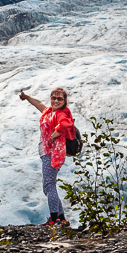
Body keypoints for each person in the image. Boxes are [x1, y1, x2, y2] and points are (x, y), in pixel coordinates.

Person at [19, 87, 75, 227]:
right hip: (48, 153)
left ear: (64, 101)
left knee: (49, 186)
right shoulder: (49, 112)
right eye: (53, 97)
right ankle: (61, 218)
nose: (56, 100)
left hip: (52, 154)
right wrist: (26, 97)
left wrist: (53, 136)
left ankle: (55, 219)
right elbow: (38, 104)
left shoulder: (61, 114)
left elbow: (65, 125)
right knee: (49, 186)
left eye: (59, 98)